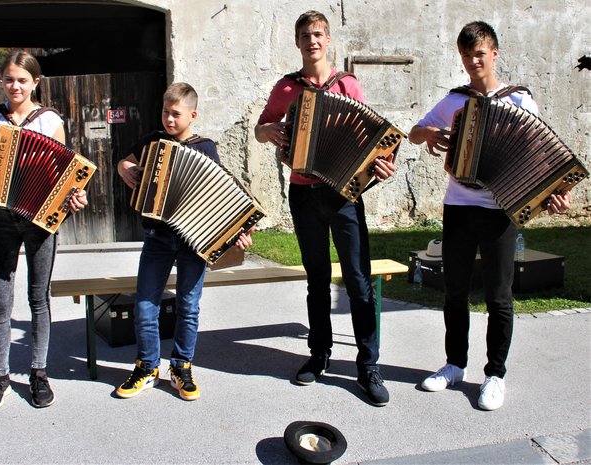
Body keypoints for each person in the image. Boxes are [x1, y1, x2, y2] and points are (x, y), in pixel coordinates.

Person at [408, 21, 572, 410]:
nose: (473, 62)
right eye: (466, 56)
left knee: (499, 296)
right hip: (460, 206)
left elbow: (540, 155)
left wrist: (553, 194)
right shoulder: (454, 101)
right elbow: (414, 131)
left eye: (479, 54)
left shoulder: (520, 102)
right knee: (455, 291)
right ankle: (454, 365)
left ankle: (495, 374)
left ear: (494, 53)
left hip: (500, 210)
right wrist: (429, 135)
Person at [254, 11, 396, 406]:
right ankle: (319, 354)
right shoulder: (286, 88)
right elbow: (262, 126)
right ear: (297, 43)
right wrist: (268, 132)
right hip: (302, 193)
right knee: (316, 279)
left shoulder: (347, 84)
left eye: (317, 34)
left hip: (343, 194)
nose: (312, 41)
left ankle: (368, 365)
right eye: (305, 35)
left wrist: (379, 166)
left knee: (358, 279)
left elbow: (372, 137)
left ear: (328, 39)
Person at [0, 50, 88, 411]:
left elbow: (66, 175)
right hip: (0, 215)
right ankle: (0, 377)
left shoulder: (49, 121)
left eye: (22, 80)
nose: (15, 86)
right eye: (9, 79)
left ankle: (38, 373)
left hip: (39, 221)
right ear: (2, 81)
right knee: (0, 300)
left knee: (38, 299)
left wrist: (75, 197)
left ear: (35, 83)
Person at [116, 82, 254, 401]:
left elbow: (222, 197)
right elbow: (124, 162)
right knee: (145, 304)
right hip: (157, 236)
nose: (169, 119)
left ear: (192, 115)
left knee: (188, 307)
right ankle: (147, 366)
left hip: (193, 241)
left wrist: (238, 232)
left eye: (176, 114)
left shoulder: (205, 148)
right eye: (165, 111)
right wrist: (126, 168)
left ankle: (181, 366)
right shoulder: (152, 141)